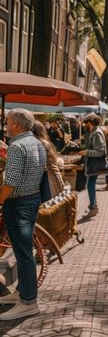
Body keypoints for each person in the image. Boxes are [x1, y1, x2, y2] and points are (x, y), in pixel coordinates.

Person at [0, 109, 47, 320]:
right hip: (32, 200)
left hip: (18, 204)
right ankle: (22, 293)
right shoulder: (37, 142)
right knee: (23, 251)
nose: (6, 125)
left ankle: (28, 302)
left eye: (8, 121)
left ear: (16, 124)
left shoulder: (17, 146)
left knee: (23, 253)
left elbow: (11, 181)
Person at [79, 114, 106, 217]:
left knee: (90, 184)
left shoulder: (96, 133)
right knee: (90, 184)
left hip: (94, 163)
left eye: (86, 123)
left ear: (89, 123)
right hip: (92, 163)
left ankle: (93, 207)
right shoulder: (94, 132)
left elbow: (101, 151)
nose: (85, 125)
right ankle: (93, 206)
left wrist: (86, 152)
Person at [32, 121, 65, 197]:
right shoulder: (45, 143)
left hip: (41, 180)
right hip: (49, 178)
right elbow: (59, 162)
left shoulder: (32, 144)